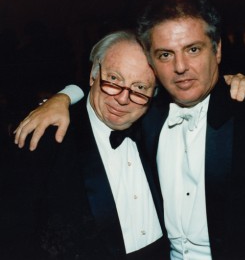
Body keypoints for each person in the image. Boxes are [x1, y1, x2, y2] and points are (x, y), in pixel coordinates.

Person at [15, 0, 245, 260]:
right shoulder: (148, 115)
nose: (181, 66)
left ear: (217, 49)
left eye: (193, 49)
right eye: (165, 54)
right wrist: (64, 96)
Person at [2, 30, 170, 259]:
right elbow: (13, 234)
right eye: (113, 79)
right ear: (93, 75)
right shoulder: (46, 137)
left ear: (154, 94)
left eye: (140, 87)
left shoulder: (161, 126)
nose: (123, 98)